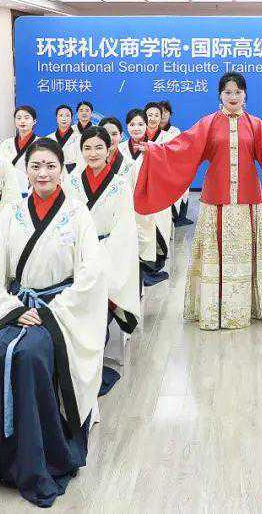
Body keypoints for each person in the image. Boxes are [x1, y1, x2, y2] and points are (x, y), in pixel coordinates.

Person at [0, 139, 106, 508]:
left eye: (50, 166)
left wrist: (50, 312)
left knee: (30, 355)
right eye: (35, 166)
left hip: (58, 311)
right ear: (25, 171)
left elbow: (91, 274)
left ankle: (38, 456)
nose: (43, 173)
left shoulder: (77, 215)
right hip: (16, 306)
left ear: (61, 169)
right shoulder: (11, 213)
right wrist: (11, 308)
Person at [133, 72, 262, 330]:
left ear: (245, 95)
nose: (233, 97)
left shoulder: (255, 125)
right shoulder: (208, 124)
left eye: (238, 92)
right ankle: (212, 310)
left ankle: (250, 307)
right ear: (220, 95)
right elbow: (182, 148)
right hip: (215, 200)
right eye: (228, 92)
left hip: (248, 201)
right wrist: (154, 150)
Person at [62, 126, 140, 396]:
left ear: (109, 150)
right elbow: (64, 222)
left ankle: (89, 368)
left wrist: (95, 258)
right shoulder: (71, 182)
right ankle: (69, 367)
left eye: (98, 147)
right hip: (76, 254)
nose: (93, 153)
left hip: (108, 256)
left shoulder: (120, 185)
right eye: (87, 148)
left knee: (96, 305)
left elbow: (124, 232)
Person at [121, 109, 171, 287]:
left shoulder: (156, 148)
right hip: (126, 202)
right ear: (127, 126)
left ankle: (148, 271)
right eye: (132, 124)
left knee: (150, 236)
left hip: (150, 203)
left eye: (140, 124)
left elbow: (167, 171)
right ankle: (134, 273)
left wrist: (152, 153)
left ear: (146, 125)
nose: (136, 128)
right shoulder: (120, 149)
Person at [160, 101, 193, 227]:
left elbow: (179, 150)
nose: (163, 115)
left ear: (170, 114)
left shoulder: (175, 131)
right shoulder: (151, 131)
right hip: (158, 169)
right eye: (160, 112)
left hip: (173, 167)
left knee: (184, 189)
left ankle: (180, 217)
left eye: (166, 112)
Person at [0, 105, 40, 183]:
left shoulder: (41, 143)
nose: (22, 121)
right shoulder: (6, 144)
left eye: (26, 118)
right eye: (19, 118)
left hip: (33, 185)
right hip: (9, 185)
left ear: (34, 121)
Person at [47, 104, 80, 171]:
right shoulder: (49, 139)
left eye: (67, 115)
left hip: (74, 174)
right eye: (61, 115)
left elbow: (82, 162)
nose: (64, 119)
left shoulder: (79, 138)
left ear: (71, 118)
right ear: (56, 118)